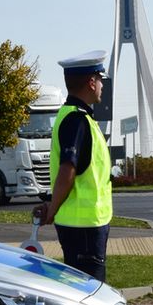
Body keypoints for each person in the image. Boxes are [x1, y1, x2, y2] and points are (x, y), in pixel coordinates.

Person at [34, 50, 113, 281]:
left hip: (85, 224)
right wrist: (52, 209)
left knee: (84, 290)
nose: (102, 85)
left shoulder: (77, 117)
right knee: (90, 293)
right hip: (84, 227)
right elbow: (67, 171)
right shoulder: (77, 120)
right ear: (91, 82)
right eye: (100, 79)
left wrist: (52, 205)